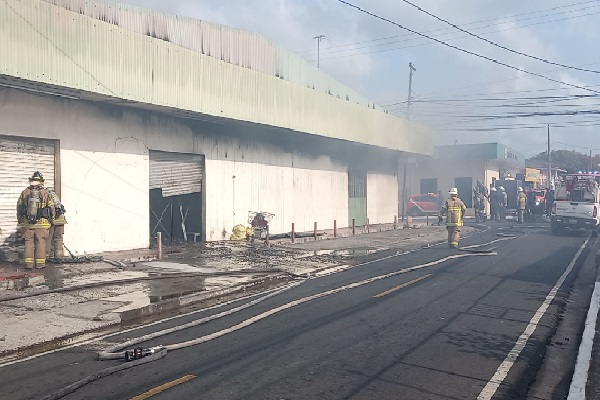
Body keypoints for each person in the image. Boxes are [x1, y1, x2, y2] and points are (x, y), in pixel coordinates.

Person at [16, 171, 55, 269]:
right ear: (41, 181)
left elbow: (19, 207)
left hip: (27, 223)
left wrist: (20, 219)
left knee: (28, 242)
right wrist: (52, 219)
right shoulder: (45, 192)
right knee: (40, 242)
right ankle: (40, 264)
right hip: (42, 224)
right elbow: (51, 207)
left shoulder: (25, 192)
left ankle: (28, 264)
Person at [45, 188, 67, 259]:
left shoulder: (48, 199)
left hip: (53, 221)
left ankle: (46, 256)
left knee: (48, 238)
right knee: (59, 238)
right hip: (61, 221)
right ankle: (58, 256)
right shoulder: (57, 200)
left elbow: (51, 210)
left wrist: (52, 220)